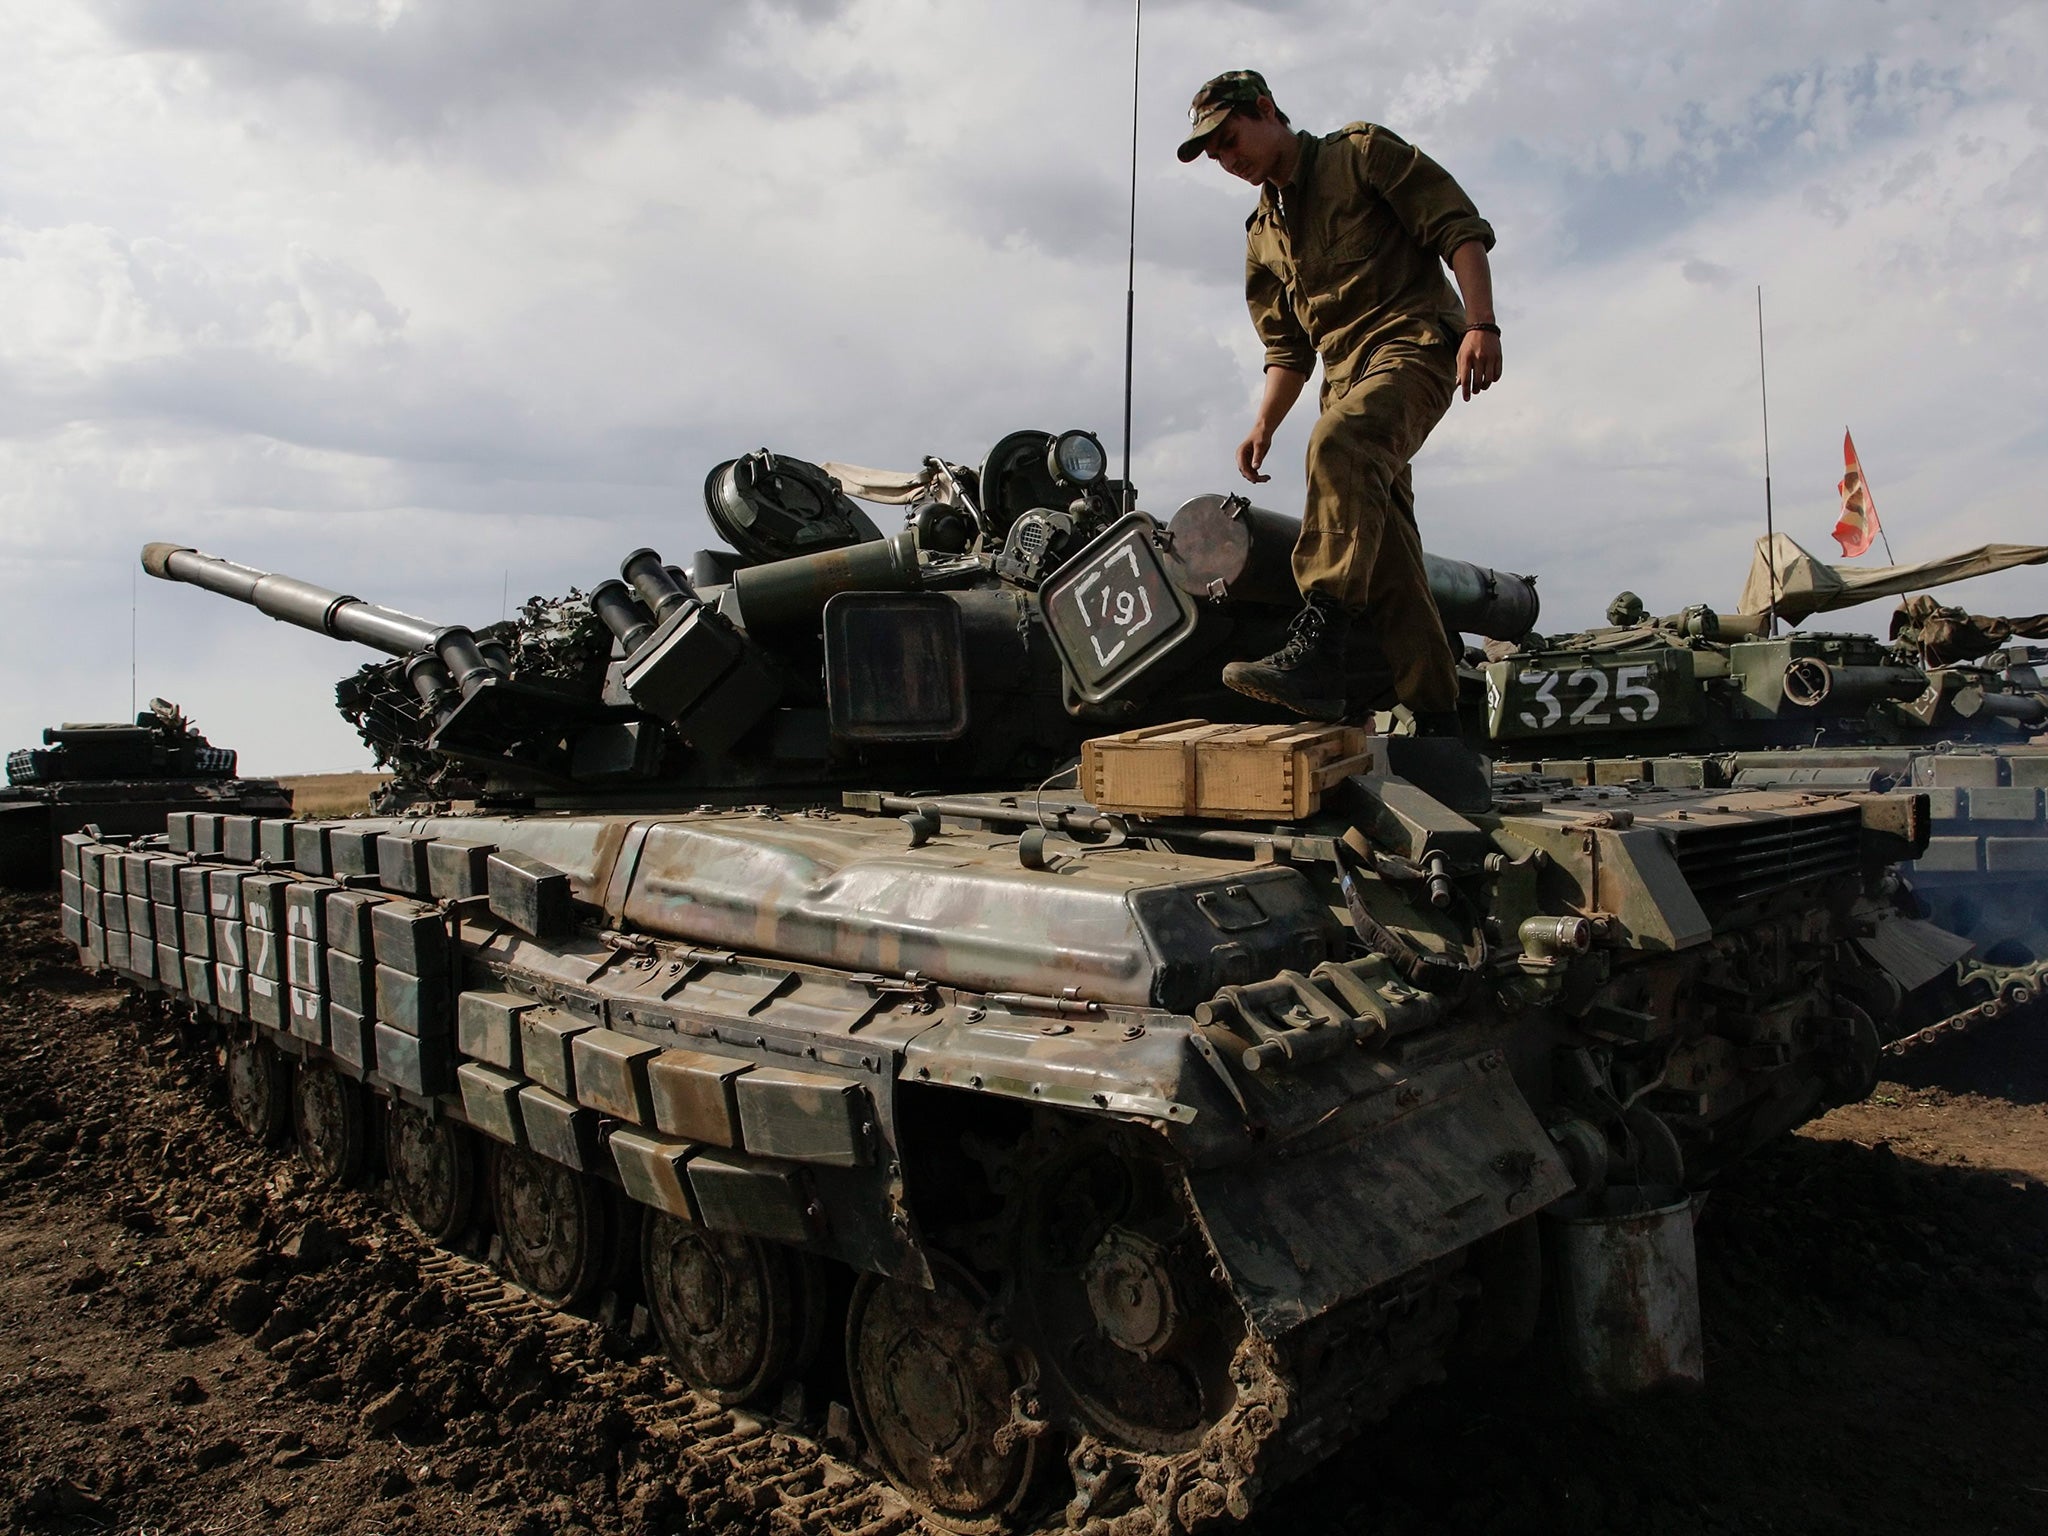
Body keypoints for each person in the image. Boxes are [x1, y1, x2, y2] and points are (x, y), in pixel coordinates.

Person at [1178, 70, 1502, 729]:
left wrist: (1481, 323)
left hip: (1413, 345)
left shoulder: (1359, 155)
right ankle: (1442, 719)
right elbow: (1287, 349)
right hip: (1344, 380)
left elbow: (1457, 227)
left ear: (1265, 110)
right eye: (1215, 154)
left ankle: (1319, 641)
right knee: (1386, 556)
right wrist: (1264, 423)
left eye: (1231, 139)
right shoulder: (1261, 235)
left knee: (1339, 444)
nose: (1228, 159)